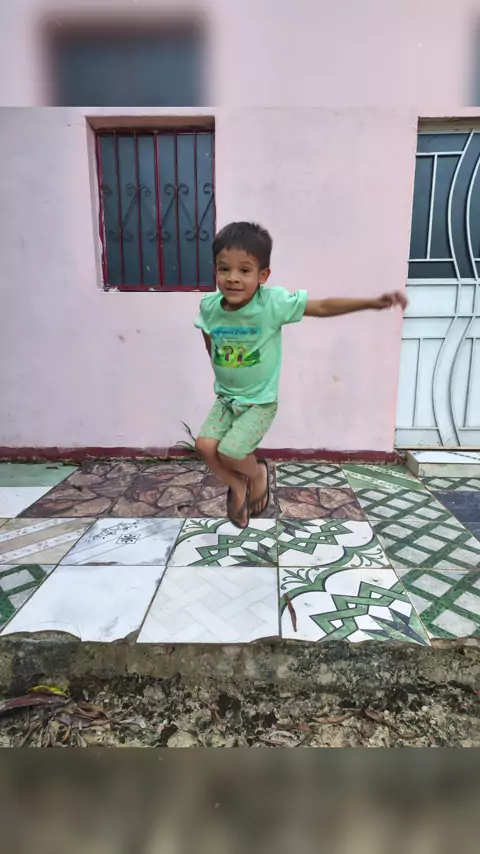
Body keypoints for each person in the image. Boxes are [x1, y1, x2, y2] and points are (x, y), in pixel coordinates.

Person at [194, 222, 407, 529]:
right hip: (226, 398)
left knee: (231, 451)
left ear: (263, 275)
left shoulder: (272, 304)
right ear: (215, 269)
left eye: (245, 270)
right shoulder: (210, 306)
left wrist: (372, 303)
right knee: (204, 447)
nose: (233, 278)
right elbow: (208, 337)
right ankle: (238, 485)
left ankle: (257, 475)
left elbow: (321, 307)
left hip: (258, 402)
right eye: (224, 269)